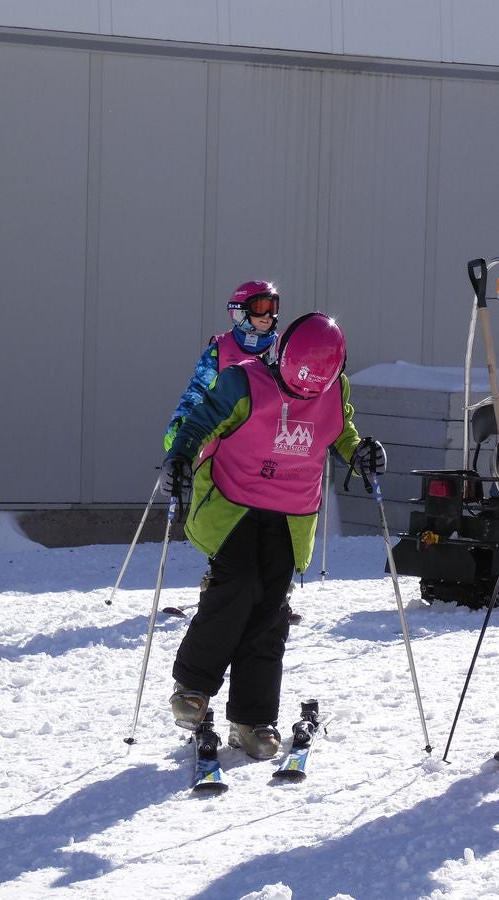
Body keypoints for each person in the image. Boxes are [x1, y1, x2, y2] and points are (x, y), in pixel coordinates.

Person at [160, 312, 387, 758]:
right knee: (238, 585)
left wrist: (360, 453)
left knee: (270, 612)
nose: (302, 395)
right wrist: (180, 457)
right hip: (233, 506)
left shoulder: (334, 389)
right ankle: (192, 686)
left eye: (311, 389)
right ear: (279, 354)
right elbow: (200, 420)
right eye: (293, 384)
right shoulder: (242, 381)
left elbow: (341, 433)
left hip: (291, 513)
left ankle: (252, 720)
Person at [164, 279, 282, 452]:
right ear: (240, 312)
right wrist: (181, 429)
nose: (267, 315)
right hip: (223, 444)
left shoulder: (281, 349)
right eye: (259, 308)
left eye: (272, 308)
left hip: (265, 443)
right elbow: (198, 391)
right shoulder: (220, 350)